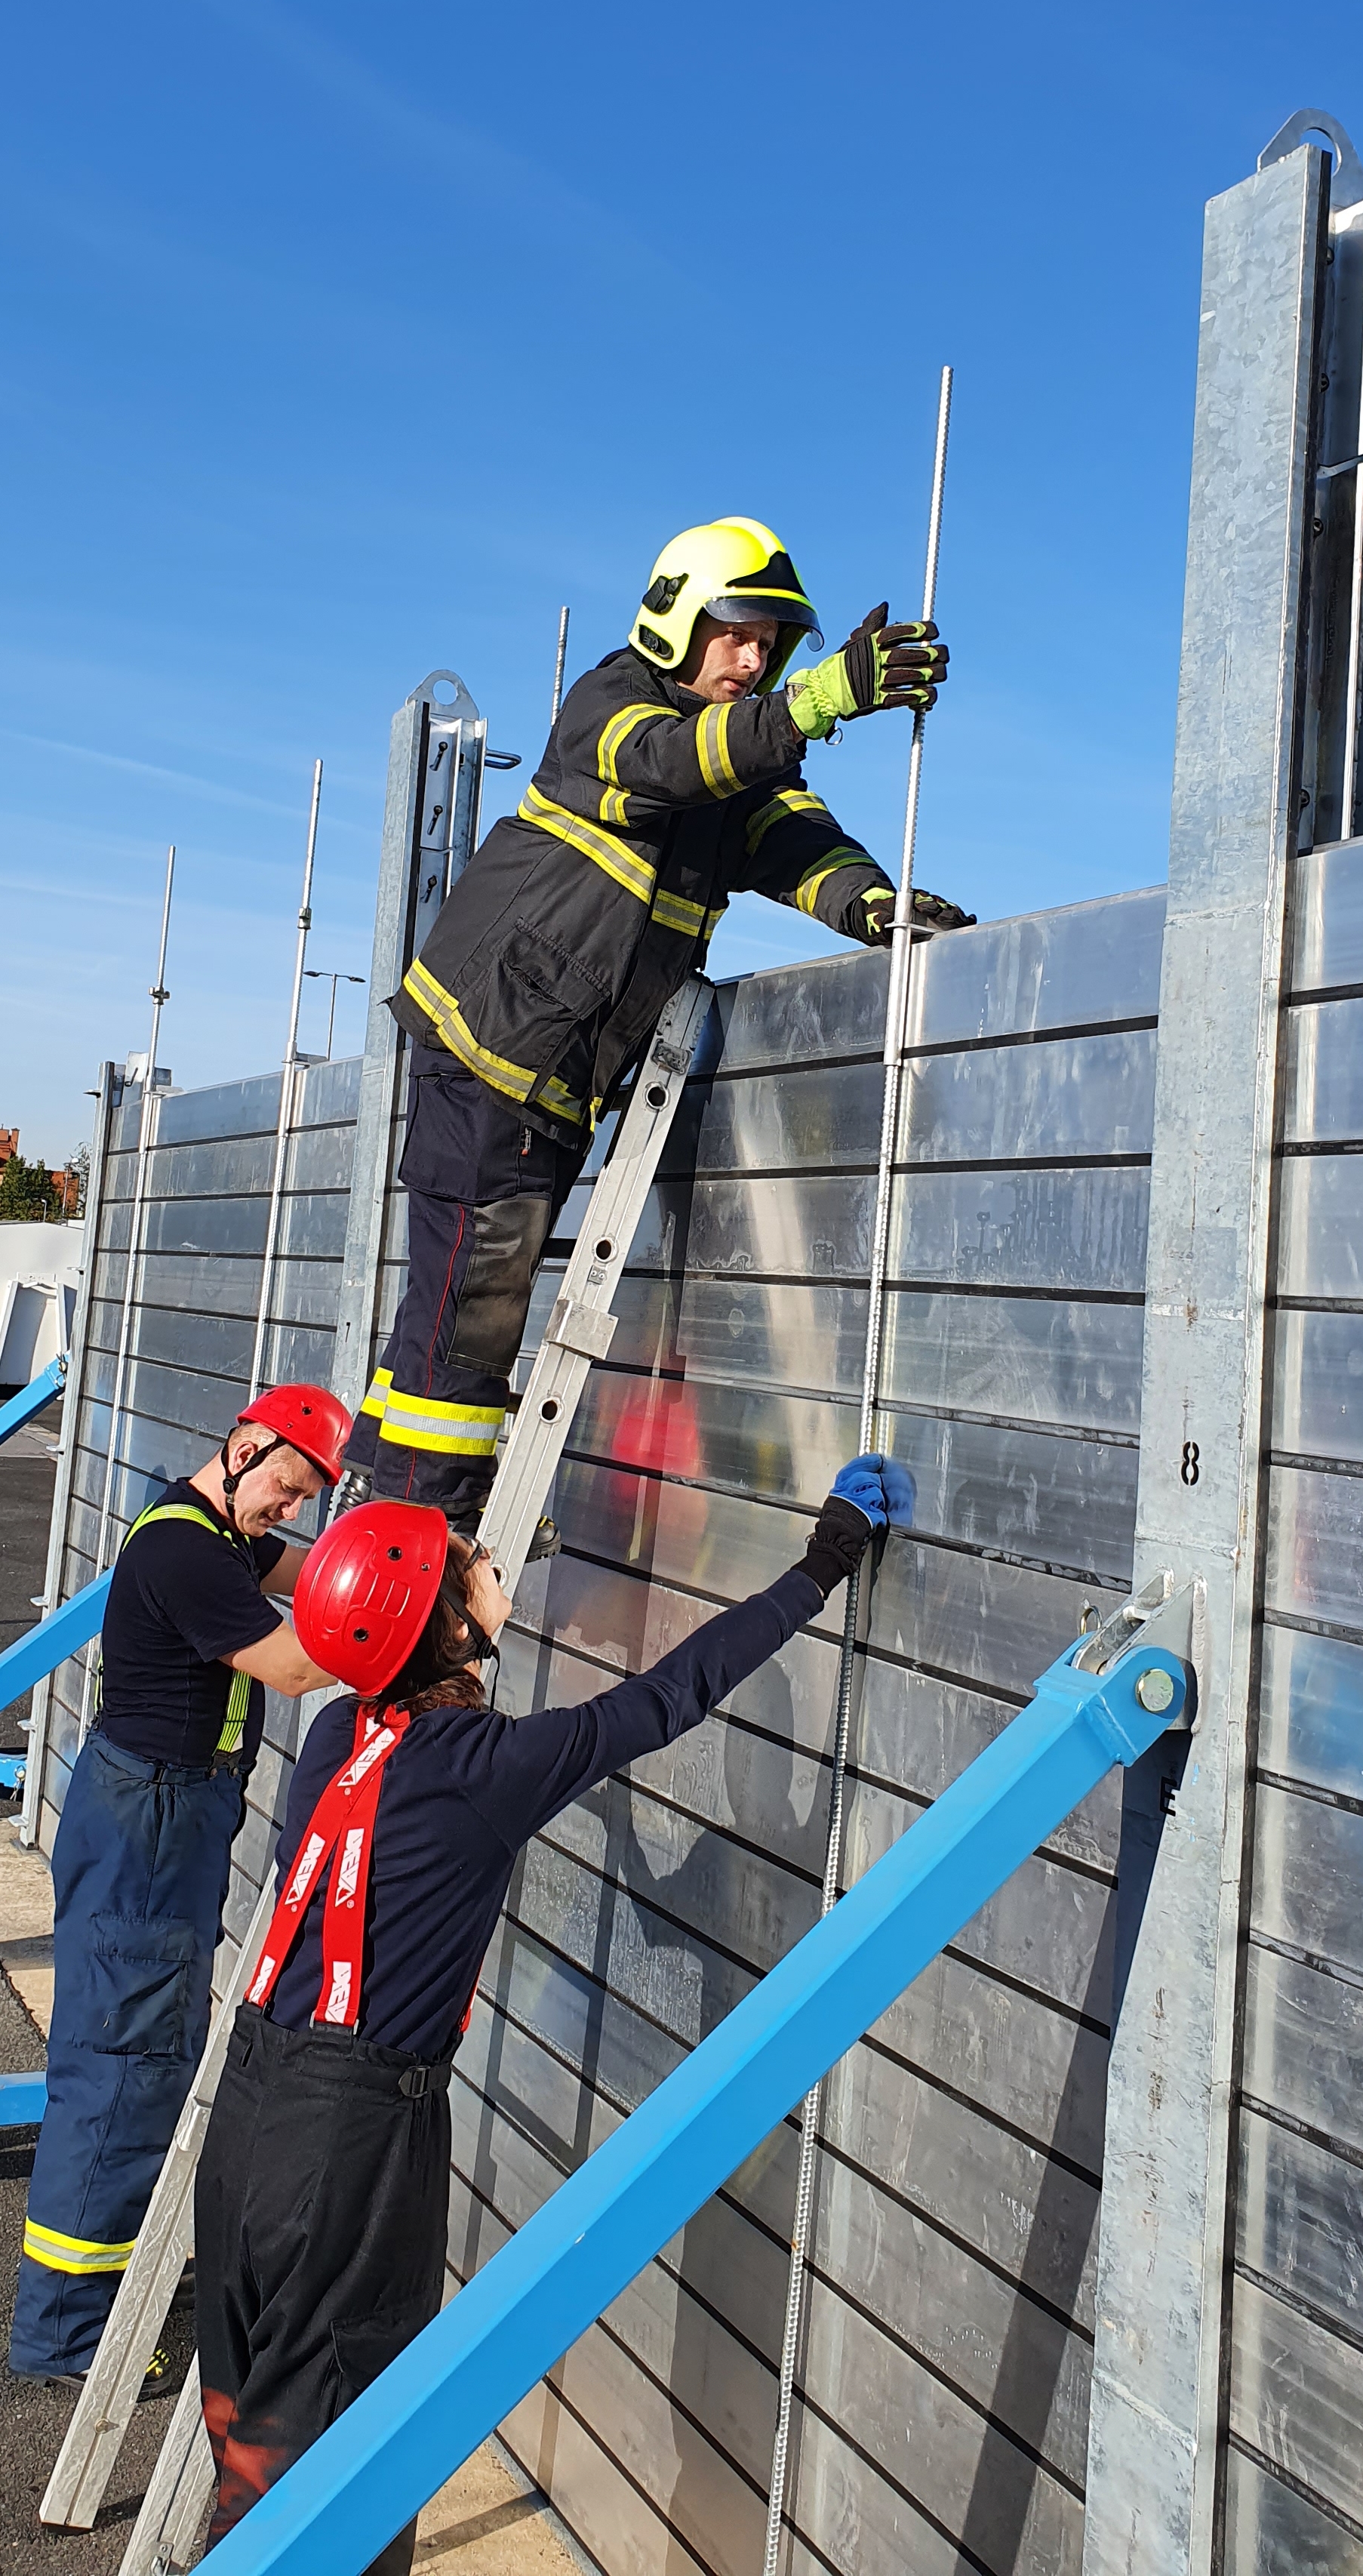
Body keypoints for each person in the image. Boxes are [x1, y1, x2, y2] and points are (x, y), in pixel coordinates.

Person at [192, 1455, 909, 2570]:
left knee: (255, 2448)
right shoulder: (489, 1766)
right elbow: (675, 1693)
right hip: (348, 2143)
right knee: (345, 2462)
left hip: (247, 2114)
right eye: (471, 1570)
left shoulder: (337, 1735)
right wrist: (822, 1565)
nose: (493, 1570)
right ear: (443, 1633)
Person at [337, 518, 974, 1531]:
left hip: (547, 1078)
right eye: (737, 633)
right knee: (471, 1317)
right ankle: (423, 1536)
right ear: (678, 620)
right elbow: (676, 763)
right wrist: (819, 700)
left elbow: (791, 835)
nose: (756, 659)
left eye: (773, 646)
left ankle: (381, 1501)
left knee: (451, 1309)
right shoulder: (615, 705)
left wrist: (868, 904)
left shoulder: (736, 762)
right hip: (493, 1054)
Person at [8, 1385, 352, 2384]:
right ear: (244, 1446)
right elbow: (291, 1666)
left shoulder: (218, 1523)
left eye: (300, 1500)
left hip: (166, 1813)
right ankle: (69, 2338)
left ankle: (86, 2308)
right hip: (149, 1823)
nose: (286, 1513)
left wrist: (427, 1559)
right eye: (284, 1488)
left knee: (141, 2051)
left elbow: (313, 1569)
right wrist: (408, 1621)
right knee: (122, 2066)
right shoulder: (189, 1549)